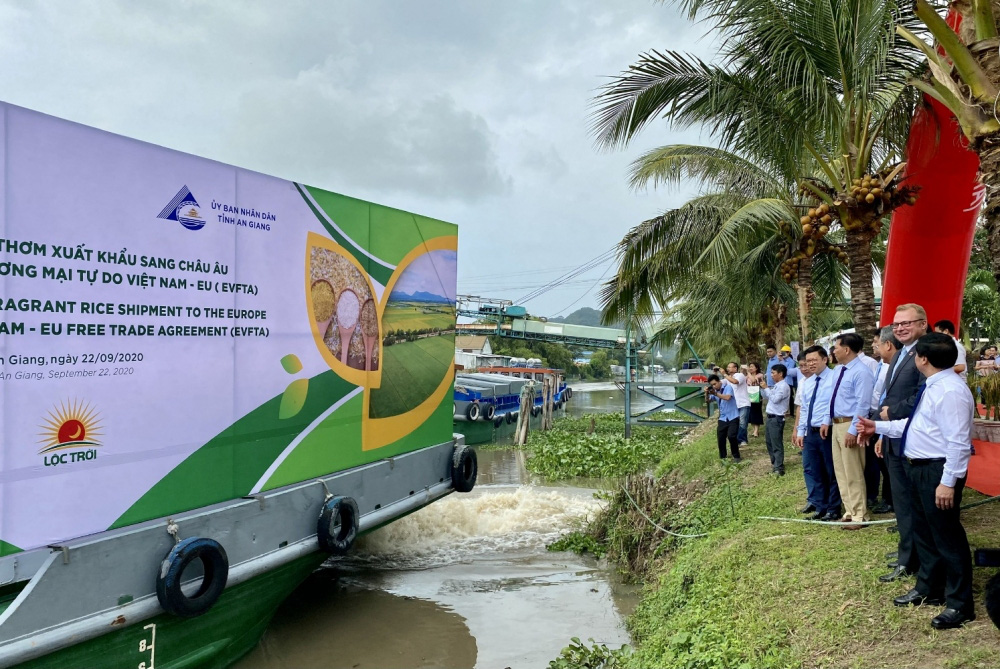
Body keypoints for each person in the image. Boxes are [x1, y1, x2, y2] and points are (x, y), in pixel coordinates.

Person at [857, 333, 976, 629]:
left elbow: (959, 443)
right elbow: (917, 427)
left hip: (936, 471)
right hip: (919, 468)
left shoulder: (949, 390)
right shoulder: (934, 386)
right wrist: (878, 426)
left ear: (923, 359)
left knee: (947, 537)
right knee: (924, 532)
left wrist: (948, 482)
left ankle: (960, 603)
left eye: (915, 355)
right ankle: (930, 588)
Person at [878, 303, 928, 583]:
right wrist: (883, 428)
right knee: (901, 501)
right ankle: (906, 553)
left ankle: (911, 559)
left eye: (906, 323)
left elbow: (922, 395)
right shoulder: (900, 354)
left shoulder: (925, 352)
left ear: (922, 324)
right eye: (897, 325)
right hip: (893, 436)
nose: (900, 329)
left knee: (911, 503)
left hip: (912, 439)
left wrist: (891, 413)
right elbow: (888, 394)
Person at [826, 333, 876, 529]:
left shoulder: (861, 372)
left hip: (849, 424)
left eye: (836, 347)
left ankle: (860, 514)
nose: (834, 351)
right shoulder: (839, 370)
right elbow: (833, 399)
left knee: (853, 469)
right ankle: (849, 510)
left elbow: (863, 404)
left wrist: (854, 430)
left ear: (847, 349)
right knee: (841, 470)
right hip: (836, 424)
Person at [795, 345, 842, 520]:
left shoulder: (834, 378)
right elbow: (805, 408)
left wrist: (826, 421)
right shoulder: (808, 383)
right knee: (815, 470)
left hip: (826, 430)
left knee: (831, 470)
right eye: (808, 361)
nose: (811, 364)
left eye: (814, 360)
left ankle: (833, 507)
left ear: (825, 359)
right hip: (810, 433)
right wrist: (801, 431)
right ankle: (820, 506)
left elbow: (833, 404)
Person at [866, 326, 899, 514]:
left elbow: (888, 395)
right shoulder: (881, 364)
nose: (873, 346)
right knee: (880, 461)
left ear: (887, 344)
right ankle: (887, 497)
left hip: (887, 417)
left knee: (887, 462)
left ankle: (890, 500)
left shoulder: (893, 367)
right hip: (876, 414)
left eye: (876, 343)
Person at [760, 363, 790, 475]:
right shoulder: (777, 385)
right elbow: (767, 396)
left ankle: (779, 467)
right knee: (769, 442)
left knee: (776, 442)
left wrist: (766, 388)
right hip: (770, 417)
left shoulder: (783, 386)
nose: (771, 375)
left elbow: (776, 399)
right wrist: (763, 388)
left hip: (777, 418)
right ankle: (775, 463)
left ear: (780, 374)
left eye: (773, 373)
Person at [706, 373, 741, 462]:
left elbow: (727, 397)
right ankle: (723, 457)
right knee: (721, 438)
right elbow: (708, 400)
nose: (714, 386)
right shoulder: (714, 391)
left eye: (715, 384)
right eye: (712, 385)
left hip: (733, 416)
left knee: (731, 436)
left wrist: (716, 394)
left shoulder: (728, 387)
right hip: (723, 418)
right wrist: (706, 393)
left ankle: (736, 456)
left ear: (719, 381)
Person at [721, 362, 750, 447]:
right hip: (734, 405)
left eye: (730, 367)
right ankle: (737, 440)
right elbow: (719, 383)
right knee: (736, 423)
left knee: (742, 422)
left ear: (735, 368)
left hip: (743, 403)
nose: (728, 369)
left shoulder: (739, 375)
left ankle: (742, 439)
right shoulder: (728, 379)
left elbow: (735, 382)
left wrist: (724, 374)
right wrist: (715, 373)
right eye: (728, 367)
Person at [747, 362, 765, 438]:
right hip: (748, 394)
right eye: (749, 366)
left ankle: (756, 431)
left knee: (756, 411)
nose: (750, 368)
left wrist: (748, 372)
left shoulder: (760, 375)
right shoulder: (747, 376)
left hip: (756, 393)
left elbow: (754, 380)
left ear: (756, 368)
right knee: (750, 413)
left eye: (752, 367)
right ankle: (754, 429)